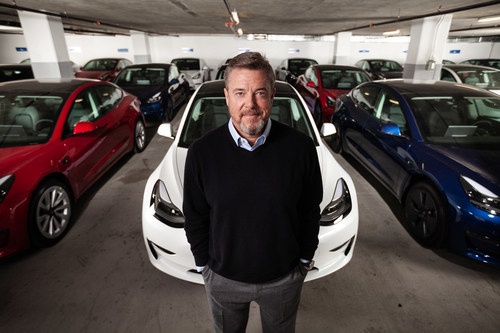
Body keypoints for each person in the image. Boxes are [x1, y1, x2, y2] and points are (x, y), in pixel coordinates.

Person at [183, 52, 323, 333]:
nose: (250, 104)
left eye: (259, 93)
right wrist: (204, 266)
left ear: (272, 95)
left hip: (283, 280)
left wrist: (305, 260)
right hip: (223, 280)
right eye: (240, 93)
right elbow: (195, 215)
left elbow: (309, 209)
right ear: (227, 97)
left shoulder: (302, 149)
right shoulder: (201, 152)